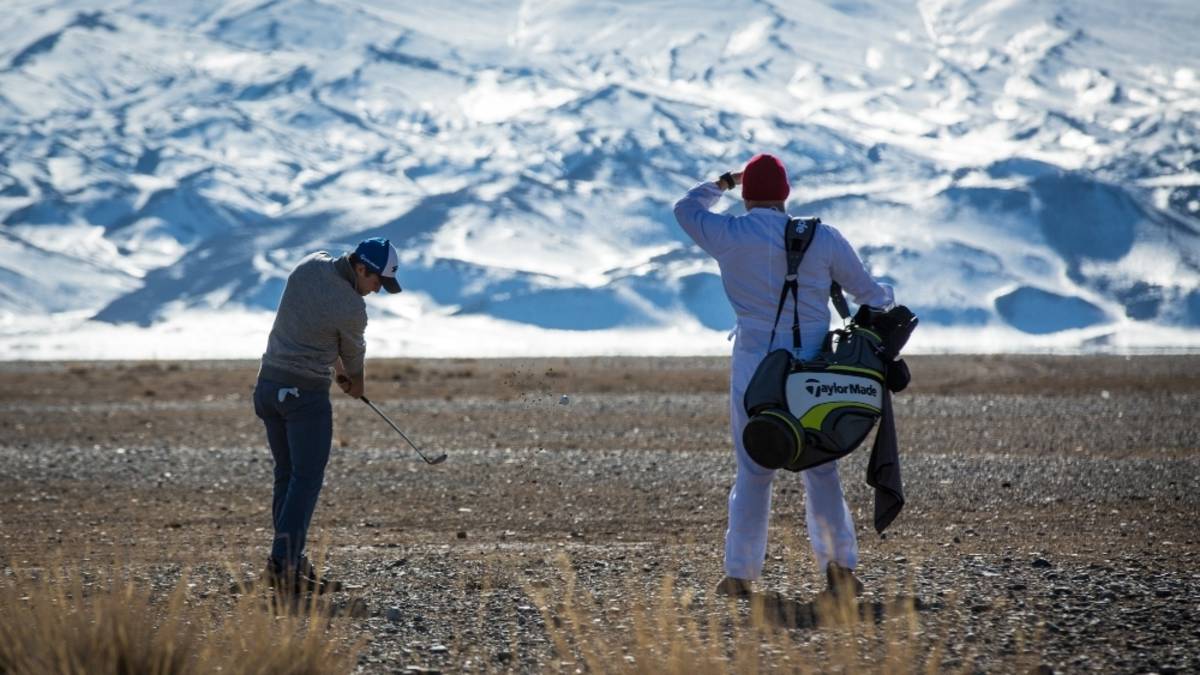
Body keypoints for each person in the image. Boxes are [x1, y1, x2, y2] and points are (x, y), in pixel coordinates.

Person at [673, 154, 895, 598]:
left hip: (754, 369)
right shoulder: (823, 237)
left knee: (754, 469)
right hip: (813, 371)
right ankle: (840, 571)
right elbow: (872, 296)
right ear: (786, 194)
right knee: (821, 468)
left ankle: (739, 575)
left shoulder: (729, 235)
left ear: (747, 196)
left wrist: (723, 182)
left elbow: (685, 208)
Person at [253, 236, 402, 593]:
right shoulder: (352, 307)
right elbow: (354, 360)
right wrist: (356, 384)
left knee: (287, 476)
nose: (377, 290)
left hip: (268, 388)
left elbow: (314, 323)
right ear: (361, 268)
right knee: (305, 480)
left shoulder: (310, 263)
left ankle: (289, 562)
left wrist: (335, 367)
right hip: (303, 397)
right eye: (377, 281)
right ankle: (284, 566)